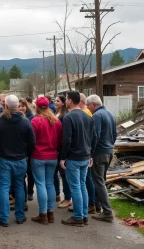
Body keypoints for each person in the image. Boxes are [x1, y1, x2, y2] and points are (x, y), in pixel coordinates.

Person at [0, 95, 35, 227]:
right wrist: (26, 154)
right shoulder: (25, 121)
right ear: (17, 106)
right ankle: (20, 216)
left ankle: (4, 217)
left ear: (5, 106)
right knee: (19, 187)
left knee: (4, 188)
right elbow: (32, 142)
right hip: (20, 159)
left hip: (3, 159)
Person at [60, 91, 97, 227]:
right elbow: (94, 137)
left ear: (70, 100)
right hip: (85, 156)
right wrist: (91, 154)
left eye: (67, 99)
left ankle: (78, 217)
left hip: (74, 157)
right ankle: (84, 215)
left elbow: (67, 139)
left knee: (76, 187)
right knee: (82, 186)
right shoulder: (88, 116)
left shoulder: (68, 118)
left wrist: (63, 157)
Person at [30, 96, 62, 225]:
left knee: (41, 184)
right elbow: (60, 140)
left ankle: (42, 214)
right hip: (52, 156)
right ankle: (51, 213)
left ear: (37, 107)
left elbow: (32, 140)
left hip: (38, 156)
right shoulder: (56, 121)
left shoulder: (35, 121)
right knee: (50, 183)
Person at [87, 94, 116, 223]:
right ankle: (99, 207)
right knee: (101, 180)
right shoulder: (110, 114)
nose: (88, 108)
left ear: (93, 104)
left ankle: (108, 212)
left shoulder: (97, 116)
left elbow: (95, 136)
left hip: (99, 153)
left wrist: (91, 153)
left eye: (88, 106)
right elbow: (115, 134)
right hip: (109, 151)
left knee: (98, 181)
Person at [79, 93, 96, 215]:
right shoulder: (87, 113)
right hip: (87, 151)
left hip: (84, 151)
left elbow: (90, 135)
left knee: (86, 180)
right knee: (85, 180)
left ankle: (90, 204)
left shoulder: (85, 114)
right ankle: (90, 204)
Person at [54, 95, 72, 208]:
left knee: (64, 175)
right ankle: (59, 194)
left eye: (57, 101)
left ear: (63, 103)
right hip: (57, 148)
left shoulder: (64, 116)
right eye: (55, 100)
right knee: (58, 174)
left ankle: (68, 198)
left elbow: (64, 136)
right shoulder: (57, 113)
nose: (55, 102)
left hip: (61, 149)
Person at [19, 98, 35, 202]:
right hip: (20, 150)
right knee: (21, 175)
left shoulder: (31, 118)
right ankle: (23, 193)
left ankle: (30, 192)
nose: (21, 108)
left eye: (23, 106)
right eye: (19, 106)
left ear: (26, 107)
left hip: (29, 150)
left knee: (30, 172)